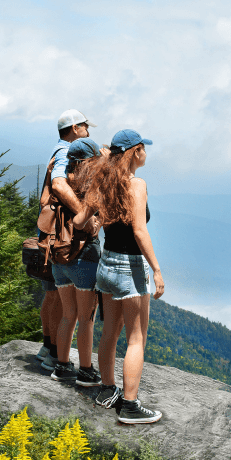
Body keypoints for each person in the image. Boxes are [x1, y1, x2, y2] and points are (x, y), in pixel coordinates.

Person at [74, 129, 165, 424]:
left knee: (110, 332)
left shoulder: (101, 182)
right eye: (144, 149)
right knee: (136, 339)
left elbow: (78, 221)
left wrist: (98, 217)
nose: (146, 154)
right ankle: (130, 405)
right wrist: (157, 270)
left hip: (107, 265)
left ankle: (107, 390)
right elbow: (139, 230)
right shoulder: (136, 184)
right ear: (135, 151)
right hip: (131, 267)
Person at [41, 109, 96, 372]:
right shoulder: (66, 152)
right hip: (75, 244)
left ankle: (55, 357)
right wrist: (85, 216)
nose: (88, 130)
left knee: (64, 308)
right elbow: (60, 185)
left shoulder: (56, 150)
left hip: (55, 244)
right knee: (84, 317)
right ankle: (81, 369)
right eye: (85, 126)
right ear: (75, 128)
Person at [49, 137, 105, 387]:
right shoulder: (90, 185)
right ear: (89, 160)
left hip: (57, 255)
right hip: (84, 256)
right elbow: (95, 223)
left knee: (68, 315)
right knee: (86, 318)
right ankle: (85, 371)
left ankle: (61, 366)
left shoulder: (60, 182)